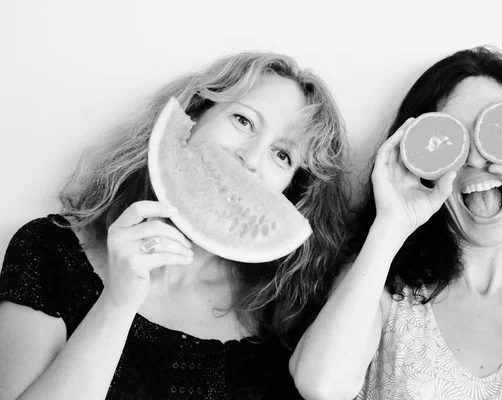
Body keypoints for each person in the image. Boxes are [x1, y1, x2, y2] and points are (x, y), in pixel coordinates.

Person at [0, 51, 350, 400]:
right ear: (194, 116)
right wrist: (118, 303)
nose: (252, 158)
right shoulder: (49, 249)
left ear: (290, 191)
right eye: (243, 121)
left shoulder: (283, 312)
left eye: (282, 155)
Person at [290, 45, 502, 400]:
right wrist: (391, 223)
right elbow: (320, 385)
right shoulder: (381, 295)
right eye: (452, 138)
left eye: (497, 128)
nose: (476, 157)